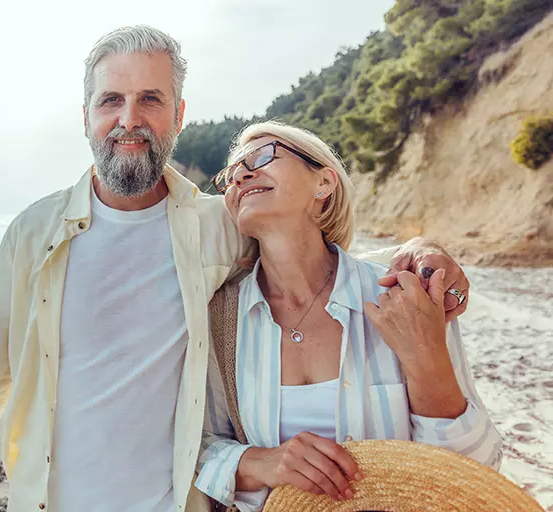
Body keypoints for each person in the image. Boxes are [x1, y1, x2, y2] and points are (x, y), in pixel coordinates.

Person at [0, 26, 471, 512]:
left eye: (150, 100)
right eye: (111, 99)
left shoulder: (219, 225)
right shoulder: (32, 234)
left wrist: (422, 257)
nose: (129, 120)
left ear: (178, 116)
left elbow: (311, 257)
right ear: (86, 116)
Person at [194, 121, 501, 512]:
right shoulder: (222, 320)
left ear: (323, 183)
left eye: (262, 156)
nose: (241, 174)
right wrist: (259, 463)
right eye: (231, 174)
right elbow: (202, 444)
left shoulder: (401, 295)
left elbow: (476, 467)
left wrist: (428, 363)